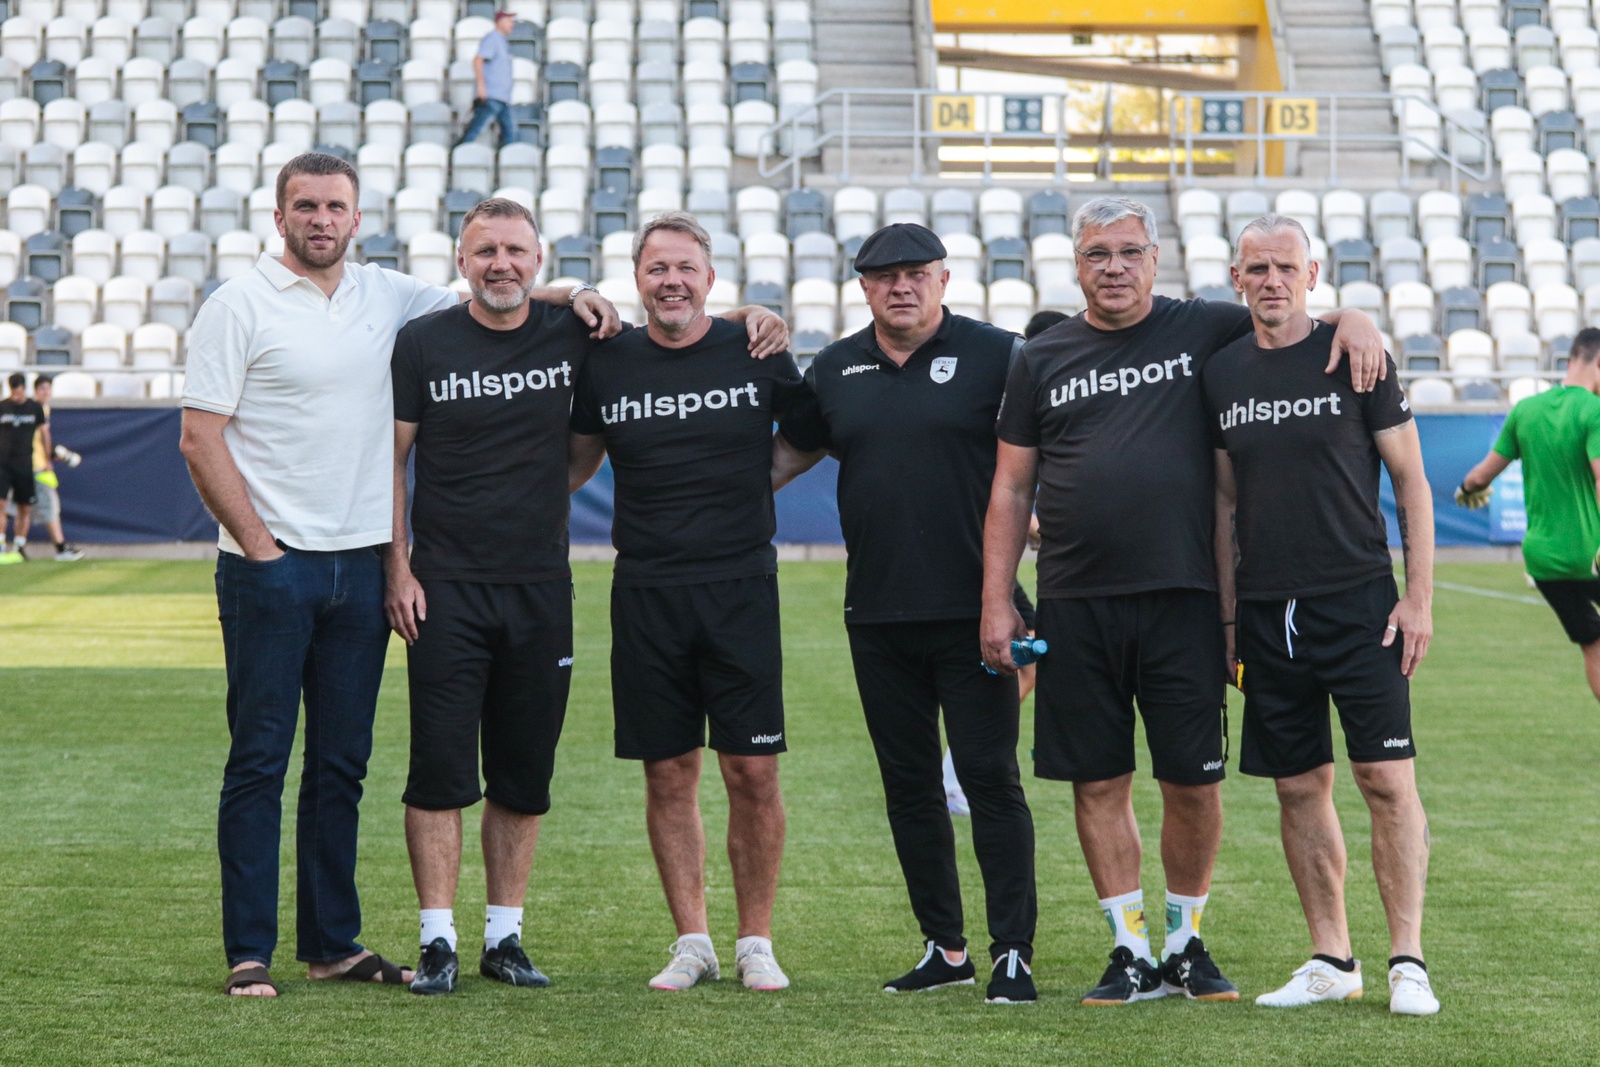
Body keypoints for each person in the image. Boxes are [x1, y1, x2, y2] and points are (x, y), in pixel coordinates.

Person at [179, 152, 621, 998]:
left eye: (335, 207)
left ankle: (331, 944)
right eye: (305, 206)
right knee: (260, 760)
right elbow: (200, 438)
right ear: (279, 217)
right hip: (271, 566)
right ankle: (249, 950)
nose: (320, 219)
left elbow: (499, 291)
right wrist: (262, 550)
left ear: (357, 218)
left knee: (340, 764)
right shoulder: (237, 305)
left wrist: (576, 291)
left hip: (360, 565)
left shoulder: (389, 296)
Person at [981, 195, 1385, 1006]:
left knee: (1192, 781)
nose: (1115, 268)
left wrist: (1357, 316)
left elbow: (1285, 310)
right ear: (1076, 264)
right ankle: (1128, 948)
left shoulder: (1201, 326)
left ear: (1155, 258)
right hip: (1076, 599)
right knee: (1098, 780)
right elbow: (1012, 486)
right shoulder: (1040, 357)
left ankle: (1184, 941)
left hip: (1186, 596)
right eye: (1098, 254)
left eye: (1130, 251)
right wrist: (998, 599)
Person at [387, 199, 789, 996]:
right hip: (491, 587)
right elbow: (397, 459)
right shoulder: (462, 342)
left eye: (517, 251)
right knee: (455, 769)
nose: (502, 263)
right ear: (462, 261)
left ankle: (517, 938)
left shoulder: (611, 337)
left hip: (600, 587)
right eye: (485, 251)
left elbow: (792, 423)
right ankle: (446, 940)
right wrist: (397, 566)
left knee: (539, 772)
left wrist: (753, 314)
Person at [773, 223, 1039, 1004]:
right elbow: (782, 458)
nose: (901, 286)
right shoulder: (835, 367)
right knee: (909, 785)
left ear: (944, 278)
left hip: (976, 611)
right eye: (884, 275)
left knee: (990, 778)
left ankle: (1012, 952)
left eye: (916, 272)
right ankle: (945, 947)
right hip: (877, 613)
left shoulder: (1000, 354)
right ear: (863, 287)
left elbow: (1046, 459)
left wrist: (1017, 589)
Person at [1203, 214, 1438, 1016]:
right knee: (1298, 785)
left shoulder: (1357, 355)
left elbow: (1411, 480)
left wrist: (1418, 597)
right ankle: (1332, 957)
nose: (1271, 280)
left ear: (1311, 275)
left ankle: (1407, 960)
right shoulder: (1222, 372)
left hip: (1360, 602)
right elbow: (1223, 503)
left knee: (1386, 780)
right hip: (1267, 611)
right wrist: (1229, 619)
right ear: (1237, 278)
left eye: (1286, 267)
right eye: (1257, 268)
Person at [569, 211, 805, 994]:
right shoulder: (607, 362)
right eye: (656, 268)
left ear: (709, 277)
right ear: (637, 279)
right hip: (645, 592)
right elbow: (571, 462)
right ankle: (694, 940)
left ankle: (756, 941)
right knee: (669, 772)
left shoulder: (754, 348)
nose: (671, 280)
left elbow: (811, 432)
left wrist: (756, 484)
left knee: (753, 771)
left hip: (741, 589)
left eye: (685, 268)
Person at [1457, 327, 1600, 703]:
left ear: (1570, 361)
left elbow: (1479, 477)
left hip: (1543, 562)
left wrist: (1467, 490)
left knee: (1592, 644)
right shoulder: (1595, 411)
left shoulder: (1525, 410)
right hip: (1591, 554)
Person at [4, 375, 85, 561]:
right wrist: (55, 455)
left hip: (27, 465)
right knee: (48, 505)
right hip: (32, 466)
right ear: (34, 390)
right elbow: (34, 440)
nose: (46, 392)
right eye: (42, 388)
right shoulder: (31, 410)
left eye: (48, 388)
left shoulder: (40, 409)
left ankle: (19, 548)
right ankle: (60, 549)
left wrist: (57, 453)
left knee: (18, 509)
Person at [0, 372, 48, 562]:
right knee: (1, 504)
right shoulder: (2, 407)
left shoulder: (34, 408)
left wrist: (48, 459)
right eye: (13, 390)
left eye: (19, 390)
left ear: (24, 389)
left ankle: (19, 545)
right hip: (3, 463)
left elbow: (44, 434)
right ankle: (1, 545)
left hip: (24, 463)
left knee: (24, 507)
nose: (16, 394)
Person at [455, 10, 517, 148]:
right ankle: (459, 152)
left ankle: (507, 157)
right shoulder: (492, 38)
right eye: (509, 21)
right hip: (491, 95)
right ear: (499, 22)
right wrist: (481, 86)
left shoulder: (502, 41)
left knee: (509, 133)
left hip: (502, 97)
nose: (512, 24)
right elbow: (478, 60)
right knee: (477, 128)